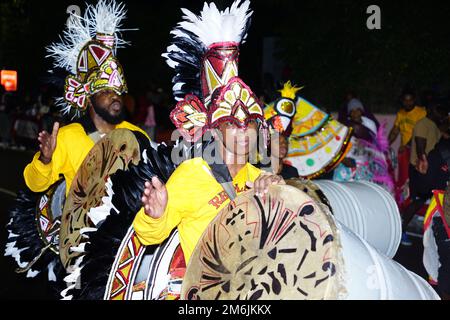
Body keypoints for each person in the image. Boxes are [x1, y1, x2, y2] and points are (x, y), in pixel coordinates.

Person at [133, 0, 285, 266]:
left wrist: (279, 195)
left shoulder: (260, 177)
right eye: (231, 124)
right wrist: (154, 215)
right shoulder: (191, 175)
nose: (243, 131)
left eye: (249, 122)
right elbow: (148, 236)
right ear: (214, 131)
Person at [23, 0, 147, 196]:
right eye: (105, 91)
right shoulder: (67, 137)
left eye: (117, 91)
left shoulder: (137, 135)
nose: (115, 97)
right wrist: (46, 159)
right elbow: (34, 184)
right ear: (88, 98)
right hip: (81, 226)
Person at [400, 101, 448, 245]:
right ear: (432, 111)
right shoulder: (423, 123)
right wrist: (423, 160)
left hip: (431, 169)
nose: (443, 115)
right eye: (441, 112)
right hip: (421, 169)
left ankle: (436, 234)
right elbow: (420, 143)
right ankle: (400, 230)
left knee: (432, 200)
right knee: (417, 201)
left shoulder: (433, 125)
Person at [388, 90, 427, 211]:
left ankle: (417, 203)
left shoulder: (421, 112)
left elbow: (420, 132)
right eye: (405, 100)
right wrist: (384, 145)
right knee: (403, 177)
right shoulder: (401, 113)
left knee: (416, 177)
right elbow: (395, 131)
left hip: (418, 149)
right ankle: (404, 203)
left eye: (410, 99)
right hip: (404, 151)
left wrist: (407, 145)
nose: (408, 102)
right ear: (402, 101)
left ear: (414, 100)